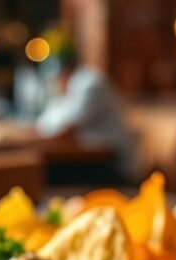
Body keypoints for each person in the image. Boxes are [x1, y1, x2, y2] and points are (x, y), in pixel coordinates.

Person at [35, 48, 134, 178]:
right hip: (88, 159)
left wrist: (27, 139)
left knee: (45, 172)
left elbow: (68, 130)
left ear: (65, 71)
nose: (55, 83)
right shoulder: (69, 88)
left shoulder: (90, 83)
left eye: (55, 78)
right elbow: (46, 124)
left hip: (110, 163)